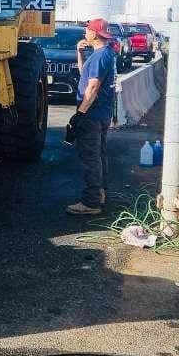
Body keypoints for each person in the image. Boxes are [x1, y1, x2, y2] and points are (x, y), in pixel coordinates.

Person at [65, 18, 118, 216]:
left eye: (87, 30)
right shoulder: (105, 54)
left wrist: (80, 113)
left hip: (92, 114)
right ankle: (101, 194)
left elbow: (93, 87)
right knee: (100, 155)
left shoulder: (99, 56)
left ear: (94, 34)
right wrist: (79, 54)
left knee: (90, 158)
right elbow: (85, 76)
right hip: (102, 113)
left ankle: (91, 201)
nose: (85, 33)